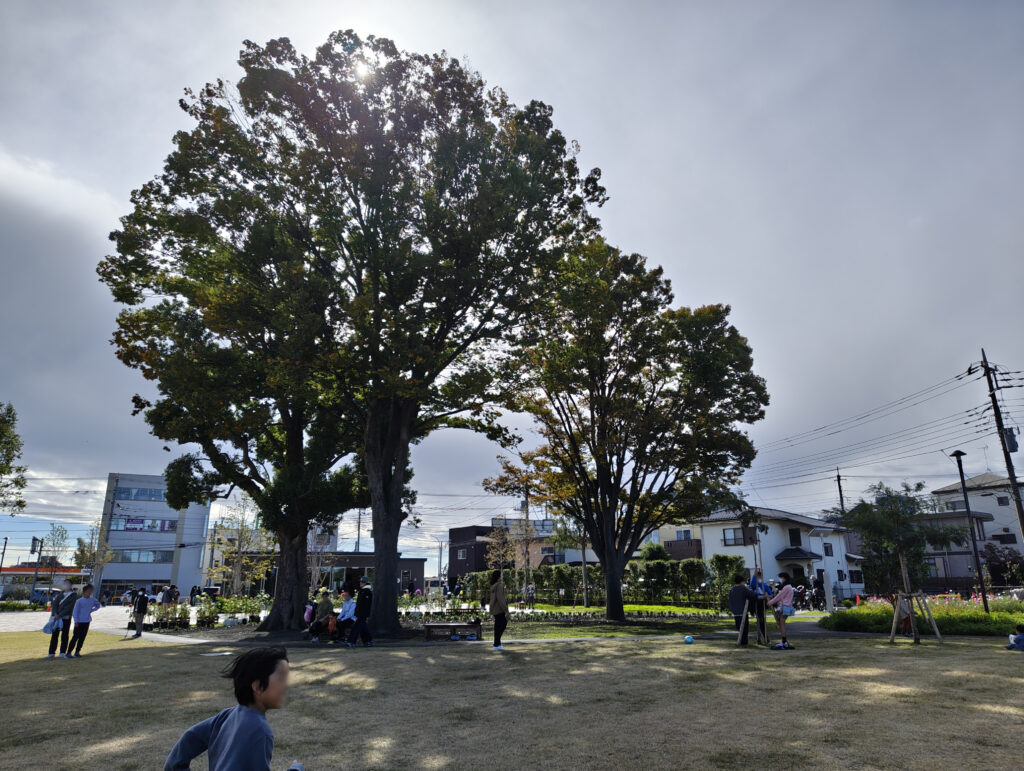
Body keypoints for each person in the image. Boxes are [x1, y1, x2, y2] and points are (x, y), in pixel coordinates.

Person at [164, 646, 303, 771]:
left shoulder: (227, 715)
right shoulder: (260, 730)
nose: (286, 685)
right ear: (258, 686)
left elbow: (190, 738)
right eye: (281, 679)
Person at [67, 583, 102, 658]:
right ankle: (69, 652)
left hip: (87, 621)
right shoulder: (79, 601)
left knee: (82, 637)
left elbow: (98, 605)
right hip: (79, 621)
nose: (89, 593)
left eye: (90, 591)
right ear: (84, 592)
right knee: (75, 637)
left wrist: (92, 610)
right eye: (88, 591)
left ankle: (77, 652)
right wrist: (76, 621)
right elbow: (75, 612)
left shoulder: (92, 599)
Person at [47, 579, 78, 659]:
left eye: (68, 583)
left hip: (66, 617)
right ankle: (51, 652)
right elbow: (55, 604)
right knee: (54, 635)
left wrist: (60, 614)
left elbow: (69, 607)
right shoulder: (60, 594)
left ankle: (62, 652)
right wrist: (55, 613)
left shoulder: (73, 595)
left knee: (64, 635)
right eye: (65, 583)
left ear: (71, 585)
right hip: (57, 618)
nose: (66, 585)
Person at [767, 572, 796, 650]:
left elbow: (779, 596)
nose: (780, 579)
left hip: (784, 607)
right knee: (781, 623)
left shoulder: (787, 587)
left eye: (781, 578)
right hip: (787, 607)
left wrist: (770, 602)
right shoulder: (789, 587)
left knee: (781, 624)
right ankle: (784, 641)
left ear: (784, 578)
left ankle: (784, 641)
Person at [728, 573, 757, 646]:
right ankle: (744, 642)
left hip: (735, 612)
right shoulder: (743, 588)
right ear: (741, 581)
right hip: (743, 611)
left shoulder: (732, 589)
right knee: (744, 628)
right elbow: (752, 595)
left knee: (739, 628)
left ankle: (741, 641)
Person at [346, 576, 374, 648]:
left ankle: (351, 641)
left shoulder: (367, 591)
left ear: (365, 583)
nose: (360, 583)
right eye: (360, 582)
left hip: (362, 613)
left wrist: (359, 612)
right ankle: (368, 640)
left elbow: (365, 604)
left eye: (362, 582)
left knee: (356, 627)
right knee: (363, 626)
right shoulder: (363, 591)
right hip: (360, 613)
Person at [748, 569, 773, 644]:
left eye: (759, 577)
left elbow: (770, 595)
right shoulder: (754, 585)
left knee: (761, 621)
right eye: (757, 577)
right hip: (756, 604)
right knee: (759, 621)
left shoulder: (764, 585)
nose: (758, 578)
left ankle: (765, 638)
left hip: (762, 604)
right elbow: (752, 585)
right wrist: (754, 575)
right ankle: (760, 638)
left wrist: (766, 595)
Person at [489, 569, 509, 651]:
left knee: (498, 626)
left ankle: (497, 643)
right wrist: (506, 609)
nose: (502, 576)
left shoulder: (493, 585)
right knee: (503, 624)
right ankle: (497, 644)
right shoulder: (499, 586)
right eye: (501, 575)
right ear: (498, 577)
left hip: (494, 609)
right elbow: (501, 599)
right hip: (499, 609)